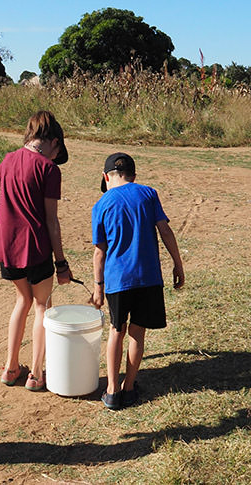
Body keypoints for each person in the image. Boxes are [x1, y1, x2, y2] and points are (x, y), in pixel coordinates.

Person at [0, 110, 71, 391]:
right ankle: (37, 375)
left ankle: (10, 368)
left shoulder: (8, 160)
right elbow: (51, 221)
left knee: (22, 300)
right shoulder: (48, 169)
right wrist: (61, 263)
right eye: (57, 151)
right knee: (42, 305)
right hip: (36, 248)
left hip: (8, 248)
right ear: (54, 141)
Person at [91, 153, 184, 410]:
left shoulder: (101, 204)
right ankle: (129, 388)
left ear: (106, 176)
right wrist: (178, 263)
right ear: (133, 176)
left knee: (116, 331)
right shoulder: (148, 194)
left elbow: (100, 251)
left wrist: (98, 287)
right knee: (137, 333)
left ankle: (111, 391)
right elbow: (165, 229)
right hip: (149, 278)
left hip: (118, 280)